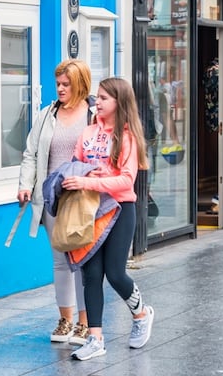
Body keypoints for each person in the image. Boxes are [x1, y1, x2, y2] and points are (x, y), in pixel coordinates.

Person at [62, 77, 154, 361]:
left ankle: (141, 314)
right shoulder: (87, 133)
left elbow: (127, 181)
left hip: (120, 210)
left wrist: (92, 181)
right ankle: (95, 338)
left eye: (103, 98)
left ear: (118, 102)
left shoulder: (127, 137)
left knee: (115, 273)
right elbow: (76, 164)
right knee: (91, 275)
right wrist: (83, 175)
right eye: (97, 98)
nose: (97, 103)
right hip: (89, 211)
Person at [17, 60, 93, 346]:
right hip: (51, 197)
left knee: (82, 260)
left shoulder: (93, 115)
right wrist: (25, 184)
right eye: (58, 83)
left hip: (83, 196)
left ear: (80, 85)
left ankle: (86, 322)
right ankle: (65, 320)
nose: (60, 89)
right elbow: (30, 153)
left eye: (66, 84)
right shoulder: (47, 114)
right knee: (61, 261)